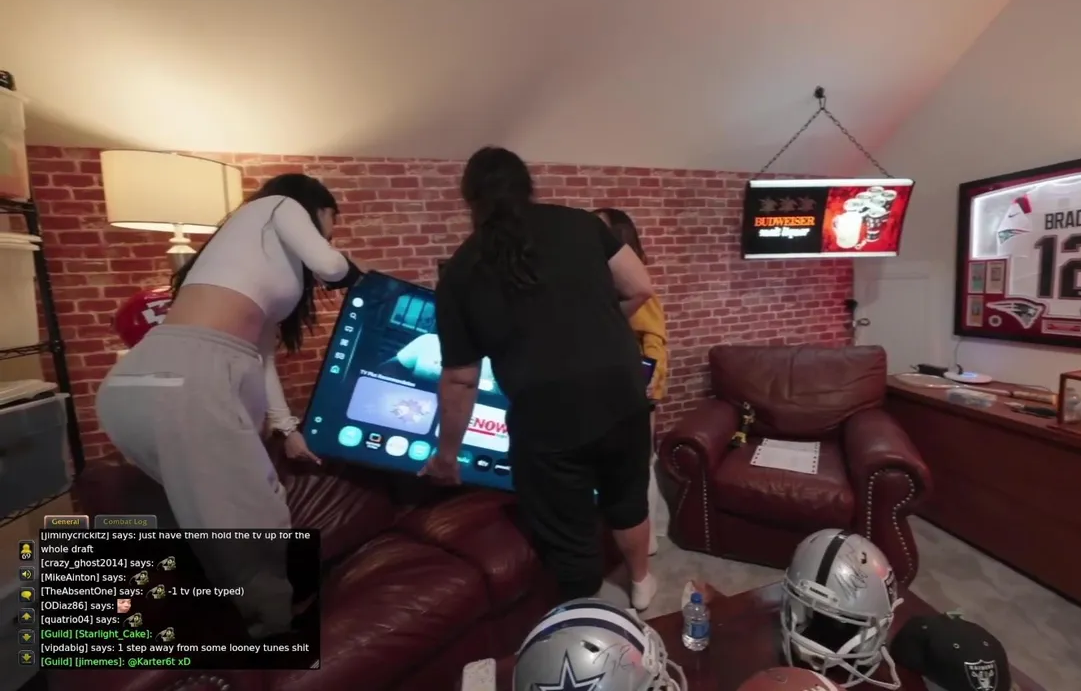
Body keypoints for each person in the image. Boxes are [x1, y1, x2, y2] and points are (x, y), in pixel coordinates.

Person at [95, 173, 363, 638]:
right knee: (256, 522)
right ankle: (276, 636)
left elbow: (260, 358)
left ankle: (221, 617)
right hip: (186, 379)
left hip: (142, 382)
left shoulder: (252, 264)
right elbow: (334, 267)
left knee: (220, 518)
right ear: (316, 207)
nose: (329, 236)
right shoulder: (279, 205)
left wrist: (286, 429)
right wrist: (358, 273)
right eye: (330, 224)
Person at [422, 147, 660, 610]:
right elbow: (640, 287)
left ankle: (585, 617)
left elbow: (461, 380)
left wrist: (446, 456)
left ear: (470, 200)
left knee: (568, 524)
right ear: (527, 185)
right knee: (627, 497)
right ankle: (642, 583)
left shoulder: (461, 271)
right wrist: (600, 323)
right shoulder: (582, 224)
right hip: (621, 390)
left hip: (547, 415)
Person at [594, 208, 668, 557]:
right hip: (606, 388)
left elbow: (655, 340)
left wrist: (650, 385)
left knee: (639, 465)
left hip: (635, 390)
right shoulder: (597, 281)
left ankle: (648, 538)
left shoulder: (632, 284)